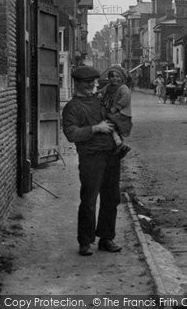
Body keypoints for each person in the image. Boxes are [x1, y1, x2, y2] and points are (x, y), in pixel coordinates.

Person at [62, 65, 132, 257]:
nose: (91, 86)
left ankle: (106, 238)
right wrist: (95, 129)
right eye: (87, 83)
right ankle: (85, 242)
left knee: (111, 198)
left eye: (93, 82)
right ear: (77, 84)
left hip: (111, 155)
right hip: (91, 157)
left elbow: (118, 112)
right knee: (89, 200)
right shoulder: (72, 107)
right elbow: (71, 133)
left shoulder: (100, 101)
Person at [98, 65, 132, 158]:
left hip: (122, 113)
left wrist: (117, 107)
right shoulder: (109, 86)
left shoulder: (123, 88)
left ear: (121, 77)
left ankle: (119, 143)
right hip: (112, 112)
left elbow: (126, 98)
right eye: (112, 77)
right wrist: (99, 94)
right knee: (106, 121)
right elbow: (102, 91)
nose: (114, 79)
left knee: (109, 123)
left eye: (117, 76)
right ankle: (118, 143)